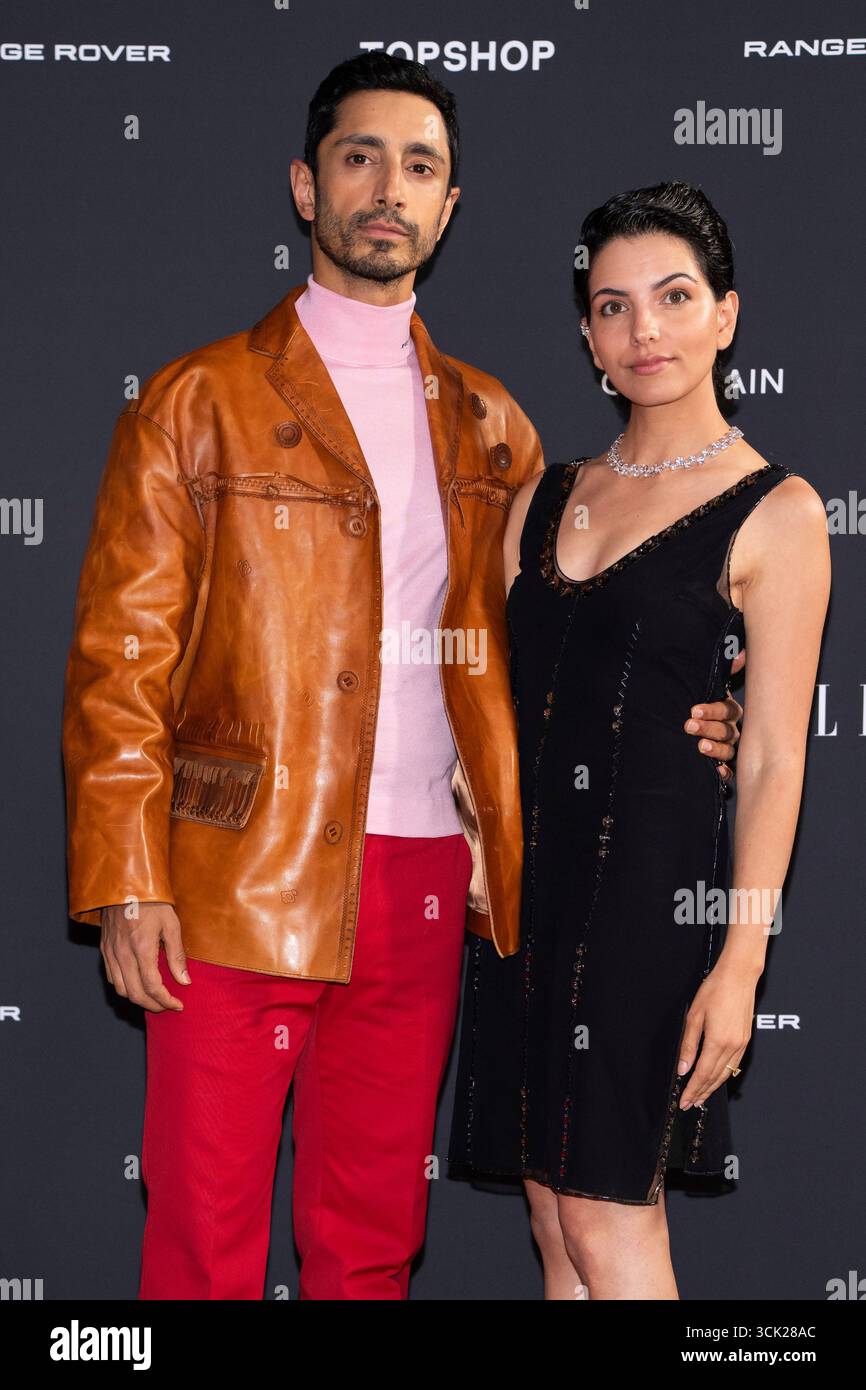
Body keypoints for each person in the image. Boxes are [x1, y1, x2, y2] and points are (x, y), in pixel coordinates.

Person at [61, 54, 740, 1301]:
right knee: (200, 1245)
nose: (387, 188)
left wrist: (700, 713)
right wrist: (125, 874)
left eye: (417, 167)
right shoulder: (192, 403)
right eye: (359, 157)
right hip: (229, 874)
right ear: (304, 188)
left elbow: (566, 642)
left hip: (426, 879)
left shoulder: (494, 425)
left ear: (449, 205)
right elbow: (122, 654)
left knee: (370, 1240)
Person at [447, 180, 830, 1300]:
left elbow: (767, 759)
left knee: (610, 1220)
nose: (642, 329)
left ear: (725, 314)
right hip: (526, 902)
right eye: (611, 307)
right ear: (586, 337)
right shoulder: (542, 494)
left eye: (671, 296)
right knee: (552, 1220)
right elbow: (491, 701)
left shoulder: (778, 511)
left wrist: (742, 959)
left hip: (649, 907)